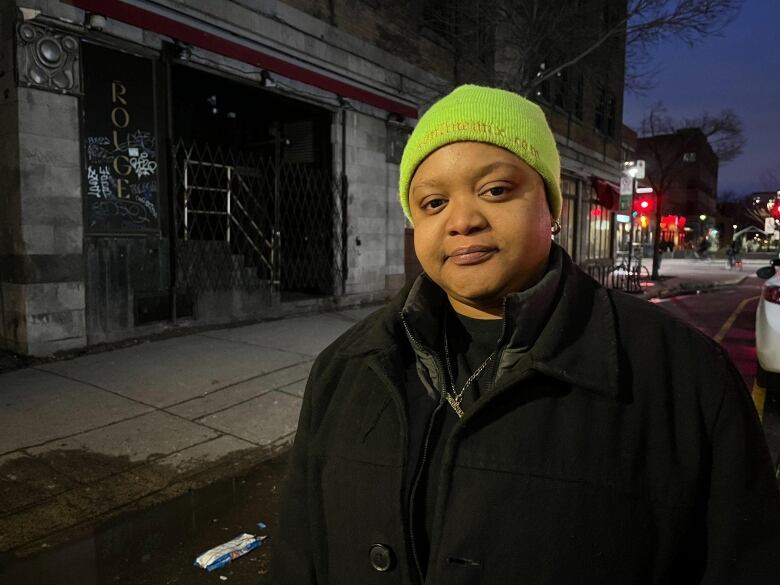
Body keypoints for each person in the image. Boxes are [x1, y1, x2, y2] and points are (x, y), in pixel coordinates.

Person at [266, 85, 780, 584]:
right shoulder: (348, 367)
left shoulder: (685, 380)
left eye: (495, 190)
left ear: (551, 206)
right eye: (432, 203)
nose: (462, 220)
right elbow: (300, 558)